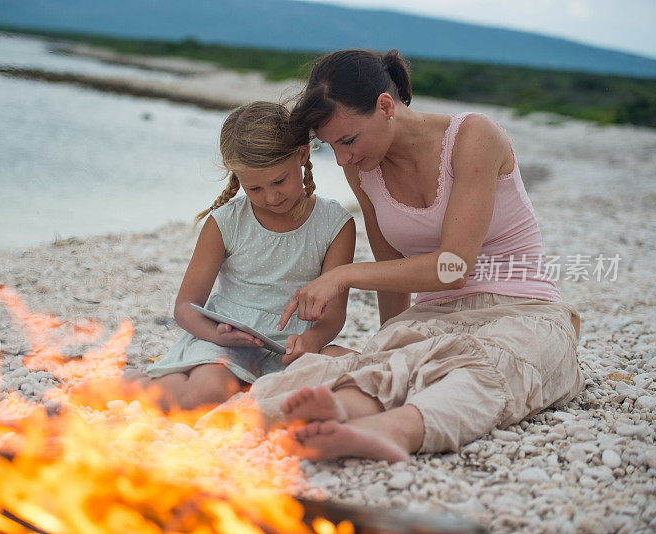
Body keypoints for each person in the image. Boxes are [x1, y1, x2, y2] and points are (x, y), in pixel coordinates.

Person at [239, 50, 584, 462]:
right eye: (333, 148)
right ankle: (340, 412)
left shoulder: (475, 137)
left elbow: (454, 268)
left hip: (523, 310)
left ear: (386, 106)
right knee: (387, 366)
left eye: (348, 140)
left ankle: (392, 430)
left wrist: (344, 274)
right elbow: (391, 270)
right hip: (434, 315)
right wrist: (392, 339)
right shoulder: (362, 166)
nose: (344, 158)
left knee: (490, 366)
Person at [123, 101, 356, 411]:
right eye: (254, 188)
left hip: (294, 347)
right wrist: (216, 336)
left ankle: (246, 396)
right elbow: (185, 307)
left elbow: (335, 312)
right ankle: (138, 384)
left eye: (279, 181)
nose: (271, 197)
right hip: (227, 346)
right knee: (206, 392)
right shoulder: (226, 222)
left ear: (302, 153)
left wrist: (312, 341)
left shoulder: (335, 224)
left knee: (354, 369)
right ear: (237, 178)